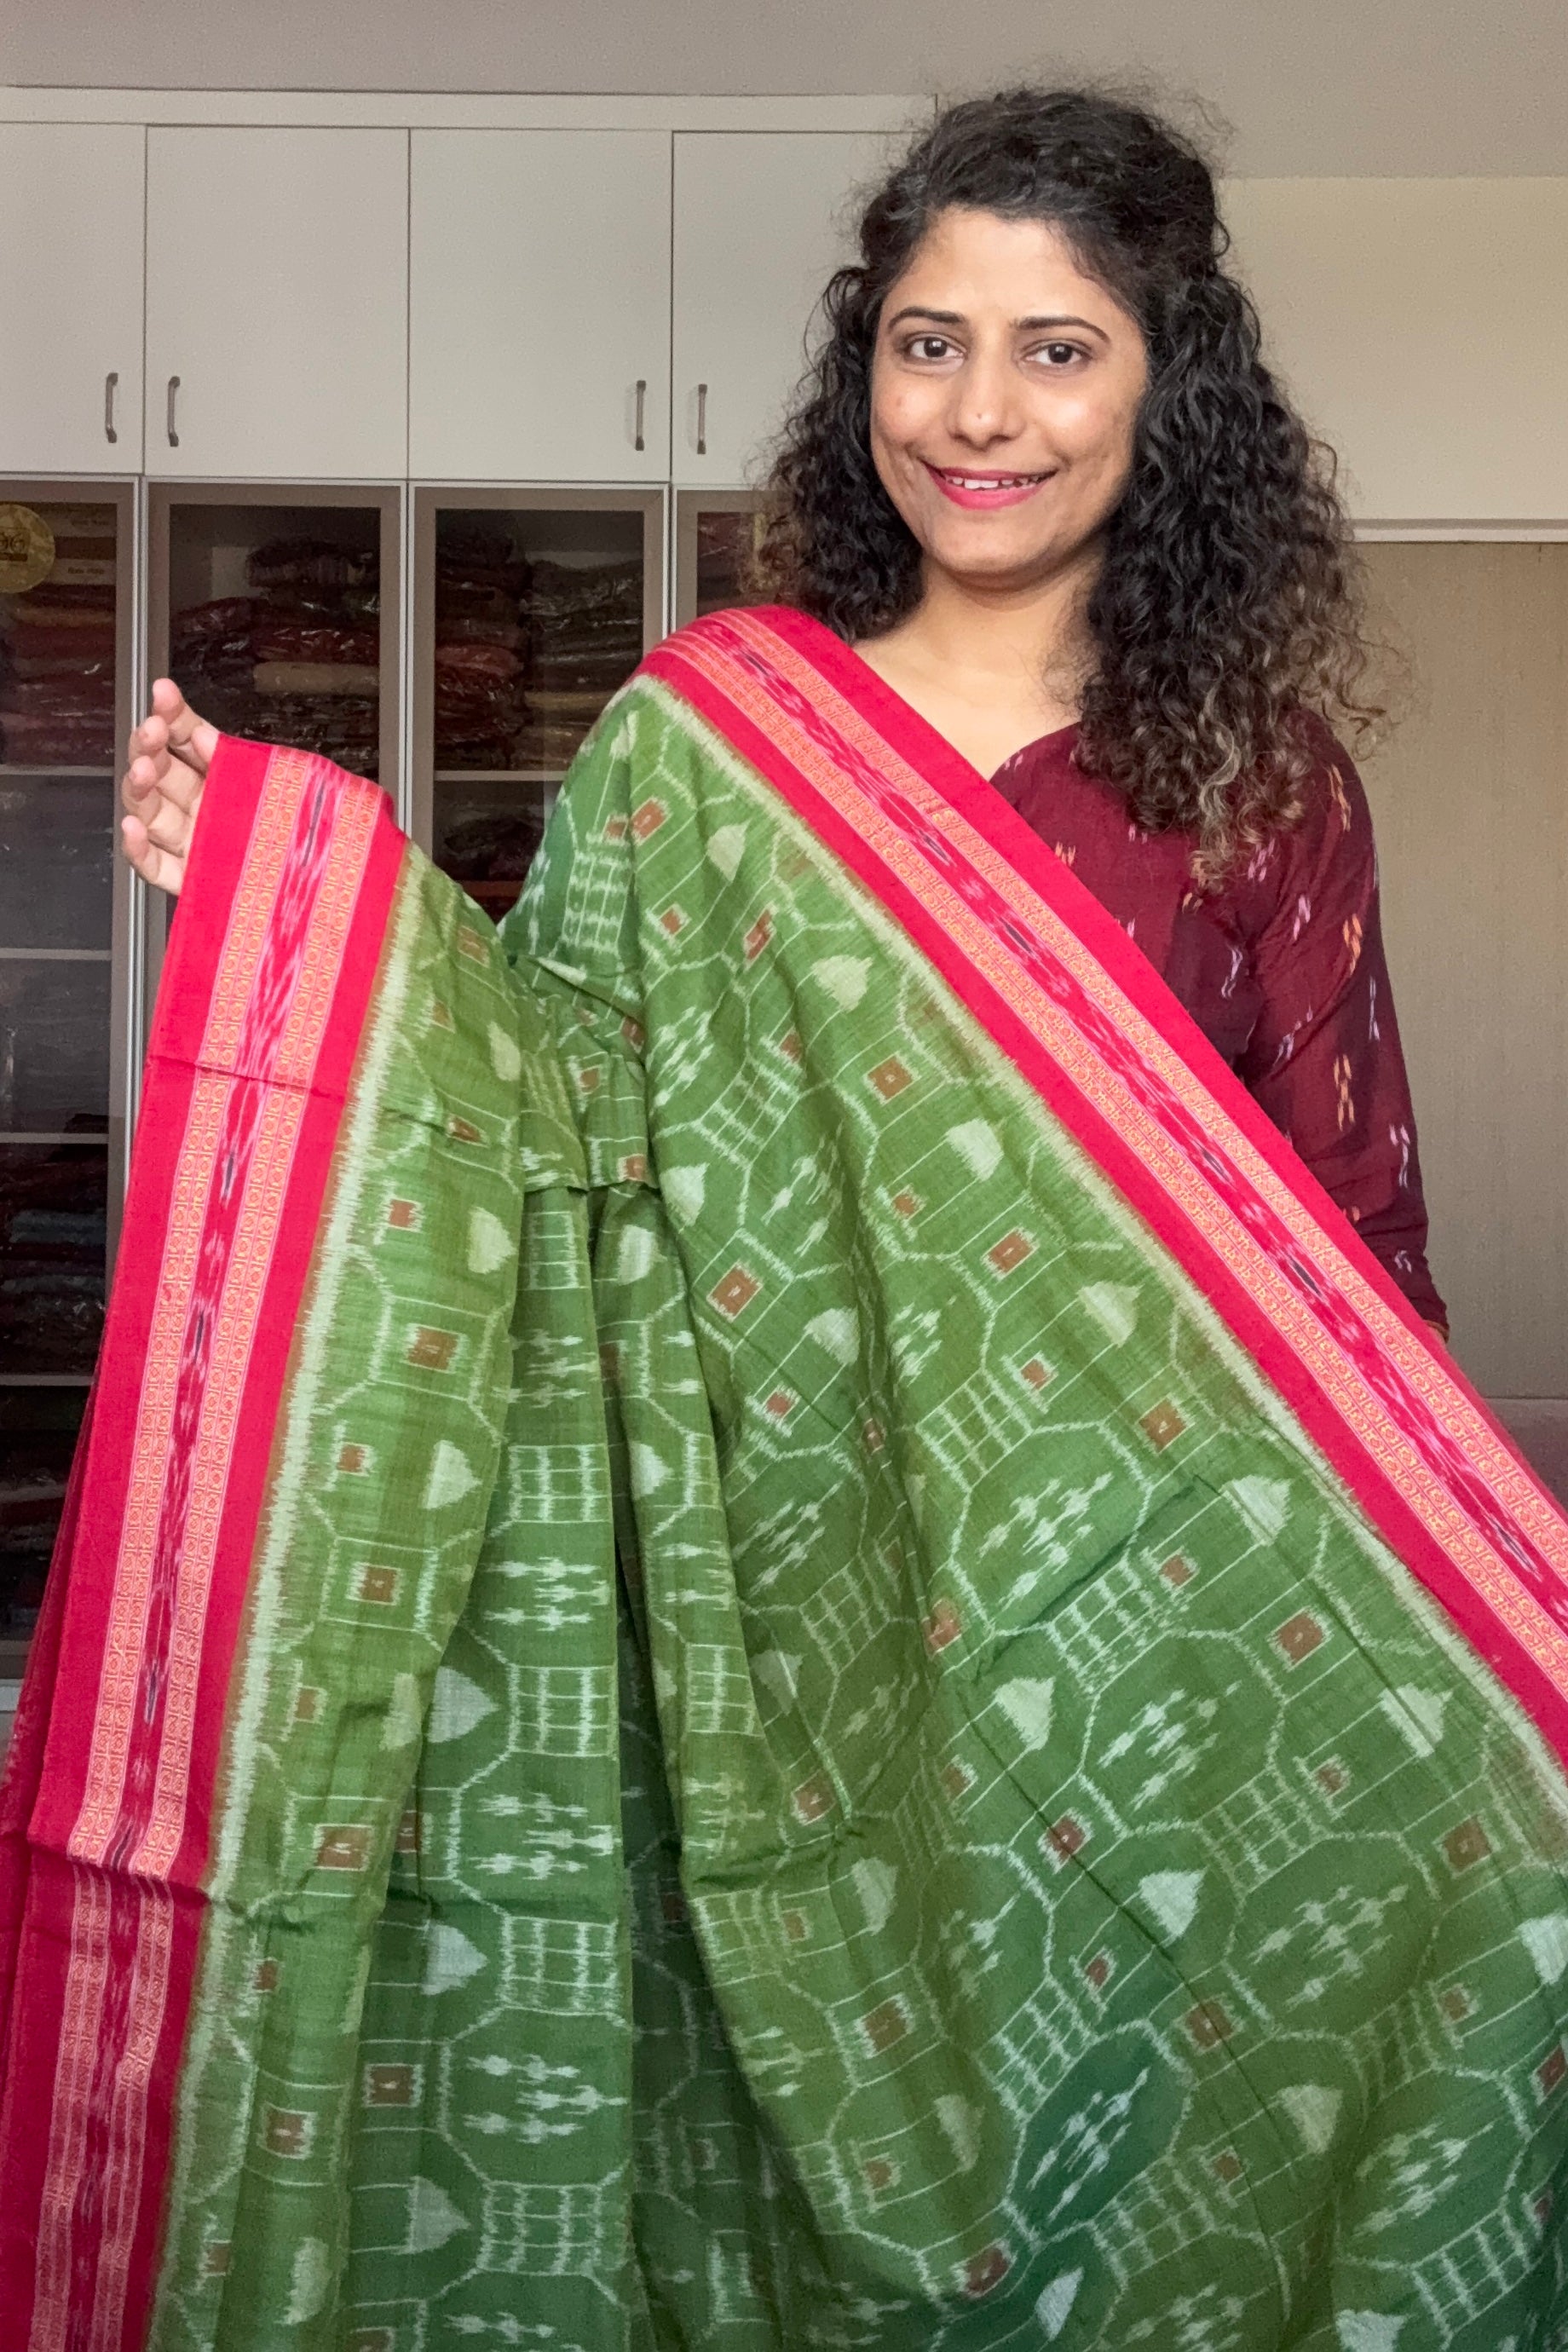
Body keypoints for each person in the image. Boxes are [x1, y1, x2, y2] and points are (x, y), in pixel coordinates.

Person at [3, 87, 1565, 2352]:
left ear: (1168, 389)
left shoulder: (1254, 784)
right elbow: (557, 1118)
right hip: (797, 1610)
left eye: (1057, 350)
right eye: (929, 343)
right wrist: (306, 911)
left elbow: (1352, 1247)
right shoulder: (707, 748)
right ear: (866, 371)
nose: (980, 413)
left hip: (1153, 1631)